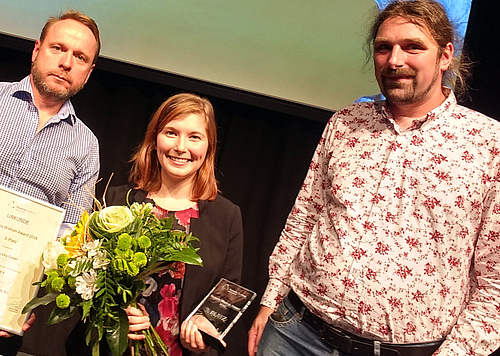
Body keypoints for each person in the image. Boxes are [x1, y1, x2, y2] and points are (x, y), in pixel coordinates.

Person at [248, 1, 500, 355]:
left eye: (412, 46)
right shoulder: (347, 122)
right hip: (295, 331)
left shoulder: (489, 144)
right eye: (384, 47)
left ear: (445, 56)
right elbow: (304, 217)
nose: (395, 60)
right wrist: (271, 300)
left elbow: (495, 283)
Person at [66, 93, 243, 356]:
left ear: (209, 147)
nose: (181, 147)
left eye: (194, 137)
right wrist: (114, 316)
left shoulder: (226, 216)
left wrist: (207, 326)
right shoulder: (115, 200)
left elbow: (228, 295)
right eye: (171, 133)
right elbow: (82, 281)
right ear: (154, 139)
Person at [0, 9, 100, 356]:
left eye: (80, 57)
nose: (66, 62)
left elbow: (69, 235)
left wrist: (22, 298)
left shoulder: (87, 146)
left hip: (4, 310)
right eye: (58, 48)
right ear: (36, 50)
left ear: (88, 71)